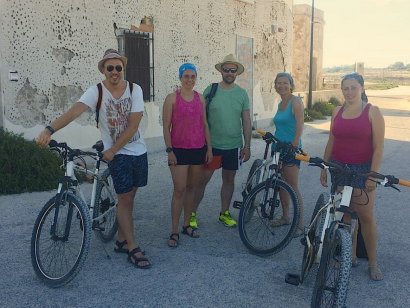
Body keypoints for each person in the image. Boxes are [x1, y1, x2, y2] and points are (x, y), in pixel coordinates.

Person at [36, 49, 151, 269]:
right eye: (110, 68)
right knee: (125, 199)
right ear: (103, 70)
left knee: (129, 198)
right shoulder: (96, 91)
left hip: (138, 151)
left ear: (122, 69)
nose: (115, 71)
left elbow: (134, 124)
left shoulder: (134, 89)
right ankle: (133, 246)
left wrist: (115, 147)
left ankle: (120, 239)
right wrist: (49, 129)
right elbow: (73, 112)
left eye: (119, 67)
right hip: (118, 155)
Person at [320, 72, 385, 281]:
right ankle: (352, 253)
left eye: (353, 87)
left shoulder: (372, 112)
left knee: (365, 216)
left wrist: (372, 176)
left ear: (362, 89)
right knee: (346, 213)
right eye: (345, 88)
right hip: (338, 167)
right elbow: (331, 140)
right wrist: (324, 166)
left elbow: (378, 147)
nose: (349, 92)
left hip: (362, 169)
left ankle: (373, 263)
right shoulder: (336, 111)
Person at [191, 54, 252, 228]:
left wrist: (247, 146)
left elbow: (246, 121)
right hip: (213, 147)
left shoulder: (242, 94)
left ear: (236, 73)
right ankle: (191, 214)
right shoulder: (211, 90)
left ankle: (224, 213)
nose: (229, 73)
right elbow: (199, 116)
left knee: (229, 180)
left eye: (233, 70)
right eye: (226, 70)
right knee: (203, 180)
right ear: (222, 72)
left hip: (233, 147)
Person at [162, 63, 212, 247]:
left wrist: (209, 149)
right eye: (186, 76)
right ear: (180, 78)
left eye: (193, 76)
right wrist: (169, 151)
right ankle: (174, 230)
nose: (189, 80)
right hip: (179, 151)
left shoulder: (200, 99)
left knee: (192, 188)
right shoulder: (171, 99)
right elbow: (166, 126)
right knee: (179, 190)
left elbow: (205, 124)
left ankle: (186, 225)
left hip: (198, 149)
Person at [270, 72, 304, 236]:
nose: (281, 86)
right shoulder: (281, 103)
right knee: (281, 183)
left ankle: (300, 224)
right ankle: (285, 217)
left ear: (291, 85)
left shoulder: (295, 102)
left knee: (292, 185)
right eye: (278, 83)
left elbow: (300, 125)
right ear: (275, 85)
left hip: (291, 148)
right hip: (279, 146)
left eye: (285, 83)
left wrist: (294, 145)